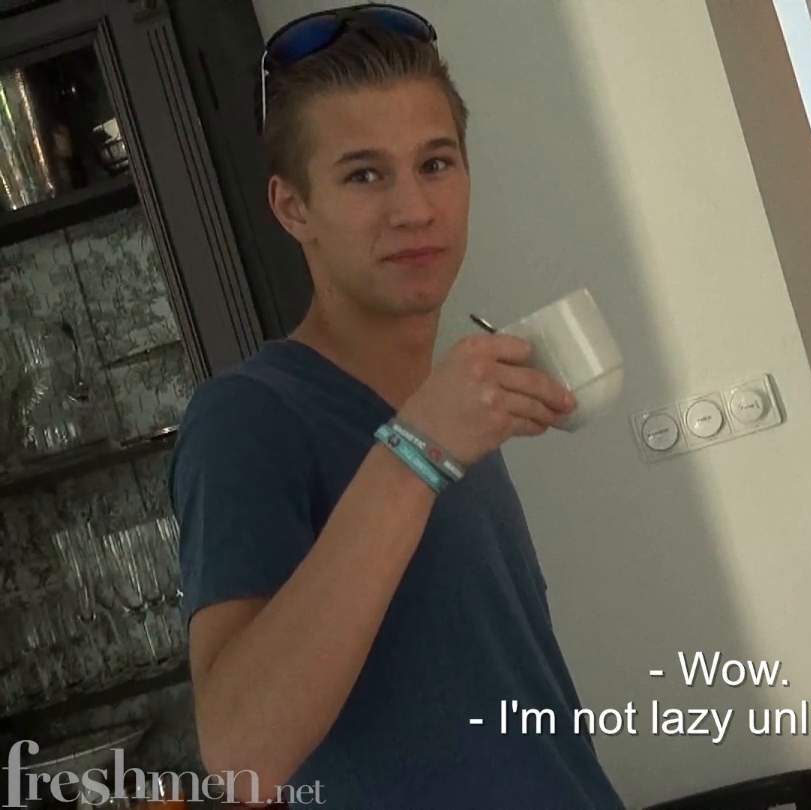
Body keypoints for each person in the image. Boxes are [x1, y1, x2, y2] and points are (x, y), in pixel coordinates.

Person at [168, 6, 623, 807]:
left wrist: (429, 436)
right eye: (364, 175)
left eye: (435, 163)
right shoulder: (247, 418)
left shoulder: (445, 408)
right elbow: (240, 754)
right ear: (292, 208)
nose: (414, 209)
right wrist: (417, 448)